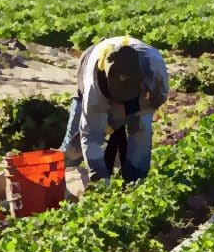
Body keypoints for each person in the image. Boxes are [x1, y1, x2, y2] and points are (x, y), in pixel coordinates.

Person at [62, 36, 168, 184]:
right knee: (76, 139)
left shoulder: (153, 66)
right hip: (90, 61)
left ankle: (135, 178)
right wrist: (99, 176)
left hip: (139, 91)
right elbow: (91, 136)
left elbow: (159, 98)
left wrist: (134, 112)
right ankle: (64, 171)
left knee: (141, 126)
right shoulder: (93, 86)